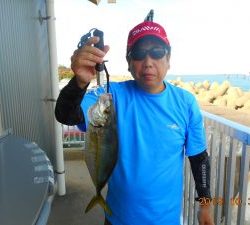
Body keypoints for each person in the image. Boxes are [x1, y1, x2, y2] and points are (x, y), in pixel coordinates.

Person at [55, 20, 214, 225]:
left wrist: (206, 203)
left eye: (157, 52)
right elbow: (66, 115)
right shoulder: (110, 96)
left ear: (168, 58)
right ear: (129, 62)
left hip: (166, 220)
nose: (148, 61)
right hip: (118, 219)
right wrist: (79, 83)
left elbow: (199, 158)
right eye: (139, 53)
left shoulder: (186, 102)